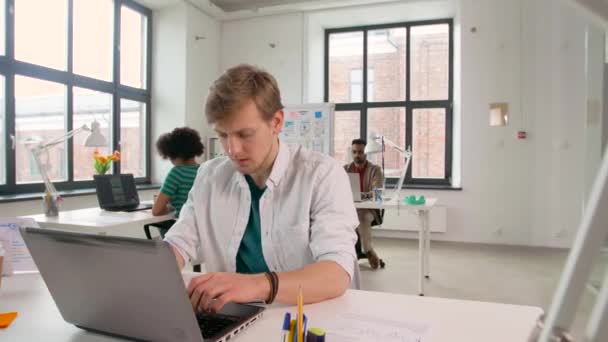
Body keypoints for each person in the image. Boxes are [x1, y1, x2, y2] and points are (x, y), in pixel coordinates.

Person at [164, 64, 358, 313]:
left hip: (304, 315)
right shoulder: (210, 176)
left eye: (245, 134)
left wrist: (256, 285)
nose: (232, 150)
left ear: (276, 122)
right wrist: (153, 272)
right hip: (231, 314)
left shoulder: (322, 174)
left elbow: (336, 273)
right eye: (223, 135)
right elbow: (179, 242)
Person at [151, 127, 205, 238]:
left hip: (181, 232)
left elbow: (156, 211)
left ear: (173, 153)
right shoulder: (204, 170)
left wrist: (168, 207)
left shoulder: (176, 173)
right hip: (199, 232)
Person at [344, 139, 384, 269]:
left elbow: (376, 193)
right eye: (354, 152)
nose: (357, 155)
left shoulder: (375, 170)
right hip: (349, 210)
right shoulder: (345, 169)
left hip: (369, 210)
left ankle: (368, 250)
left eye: (360, 152)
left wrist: (359, 196)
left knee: (361, 217)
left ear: (366, 153)